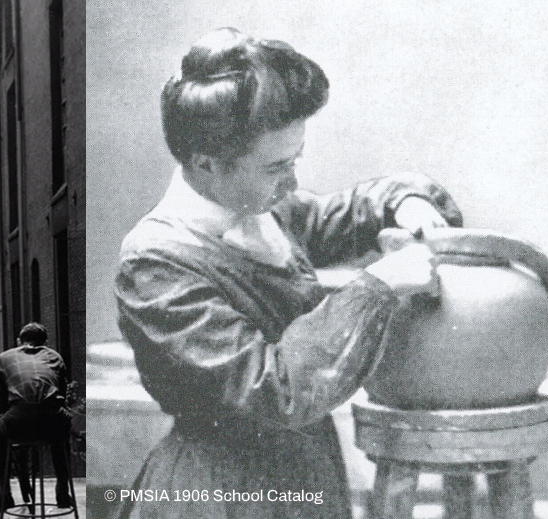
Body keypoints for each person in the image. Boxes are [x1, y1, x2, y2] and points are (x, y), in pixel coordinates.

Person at [114, 27, 455, 519]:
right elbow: (274, 392)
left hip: (304, 477)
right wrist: (376, 289)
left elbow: (349, 210)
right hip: (220, 495)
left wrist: (407, 202)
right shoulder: (154, 264)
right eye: (276, 167)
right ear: (206, 163)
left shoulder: (262, 209)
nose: (292, 181)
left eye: (295, 160)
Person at [0, 322, 74, 510]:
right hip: (52, 420)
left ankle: (5, 494)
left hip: (19, 419)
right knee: (62, 429)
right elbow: (61, 395)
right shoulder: (55, 356)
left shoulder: (3, 358)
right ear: (45, 342)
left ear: (19, 341)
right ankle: (62, 490)